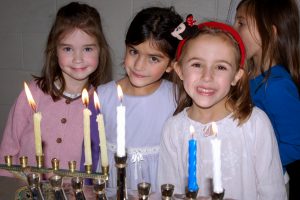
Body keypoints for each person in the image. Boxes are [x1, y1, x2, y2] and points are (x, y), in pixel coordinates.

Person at [157, 20, 287, 199]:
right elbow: (169, 191)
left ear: (236, 76)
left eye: (220, 67)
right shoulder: (173, 129)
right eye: (196, 64)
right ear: (179, 69)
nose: (207, 76)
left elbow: (273, 193)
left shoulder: (255, 124)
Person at [0, 2, 111, 176]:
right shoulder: (33, 93)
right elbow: (8, 149)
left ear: (100, 51)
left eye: (88, 48)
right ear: (55, 51)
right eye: (67, 49)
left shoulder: (101, 102)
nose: (78, 59)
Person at [92, 6, 182, 193]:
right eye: (133, 52)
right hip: (112, 187)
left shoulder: (176, 98)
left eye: (154, 59)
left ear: (171, 65)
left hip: (155, 189)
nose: (139, 65)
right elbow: (91, 148)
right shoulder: (103, 95)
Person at [234, 0, 300, 199]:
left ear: (270, 33)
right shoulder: (251, 77)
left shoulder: (276, 86)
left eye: (241, 23)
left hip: (266, 184)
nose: (234, 29)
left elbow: (296, 144)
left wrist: (255, 162)